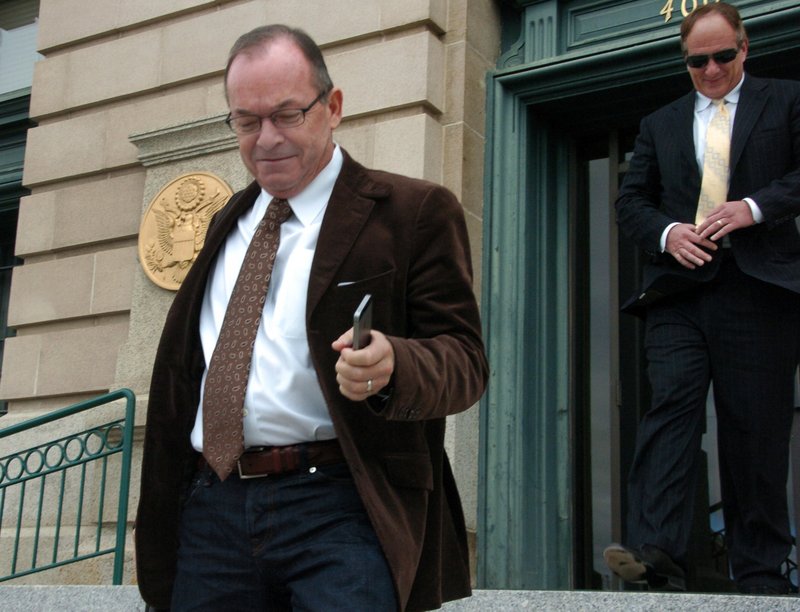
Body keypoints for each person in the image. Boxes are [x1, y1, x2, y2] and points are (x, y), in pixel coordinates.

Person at [134, 24, 489, 611]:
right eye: (246, 121)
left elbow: (465, 360)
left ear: (333, 107)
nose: (266, 138)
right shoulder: (226, 224)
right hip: (213, 510)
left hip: (342, 505)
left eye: (287, 114)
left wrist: (394, 365)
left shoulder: (412, 212)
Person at [604, 2, 800, 595]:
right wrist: (668, 232)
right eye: (697, 61)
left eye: (722, 56)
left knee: (755, 428)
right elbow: (630, 201)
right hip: (680, 291)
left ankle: (762, 573)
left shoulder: (786, 100)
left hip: (758, 288)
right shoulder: (660, 123)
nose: (710, 70)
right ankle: (656, 550)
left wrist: (754, 206)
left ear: (745, 48)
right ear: (685, 61)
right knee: (671, 409)